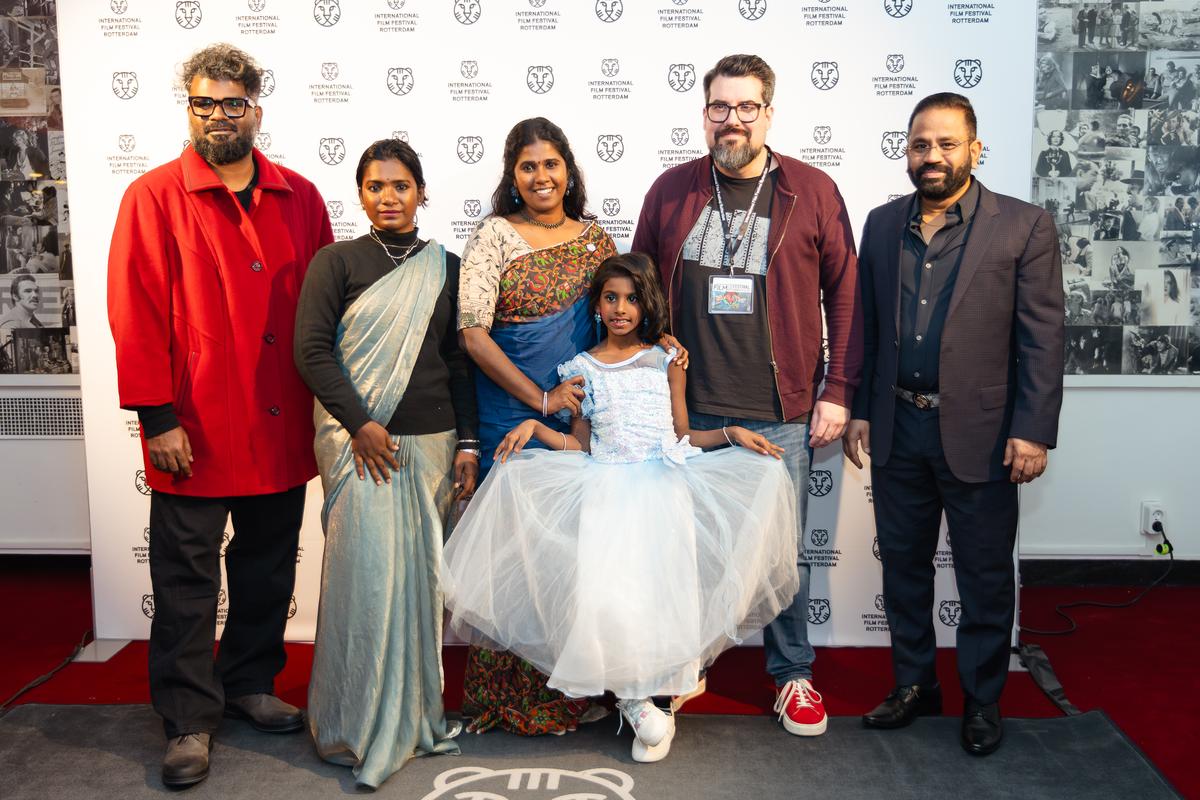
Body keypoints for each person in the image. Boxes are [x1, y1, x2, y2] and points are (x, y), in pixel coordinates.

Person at [443, 252, 800, 763]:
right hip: (607, 493)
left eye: (632, 299)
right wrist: (536, 427)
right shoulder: (581, 368)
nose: (620, 308)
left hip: (663, 490)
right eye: (610, 298)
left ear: (647, 304)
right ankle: (633, 702)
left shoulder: (666, 360)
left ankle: (655, 701)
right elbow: (582, 445)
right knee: (610, 599)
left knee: (661, 598)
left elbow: (681, 434)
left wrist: (732, 434)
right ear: (597, 304)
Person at [106, 44, 332, 788]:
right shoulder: (152, 196)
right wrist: (157, 416)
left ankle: (249, 683)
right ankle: (187, 719)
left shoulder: (302, 197)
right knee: (185, 580)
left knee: (267, 567)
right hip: (191, 429)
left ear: (255, 110)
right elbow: (134, 313)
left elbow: (323, 316)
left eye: (232, 103)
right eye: (203, 103)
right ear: (190, 109)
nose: (217, 116)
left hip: (278, 423)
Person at [632, 54, 862, 739]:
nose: (731, 120)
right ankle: (682, 666)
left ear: (768, 112)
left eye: (746, 107)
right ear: (704, 113)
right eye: (719, 107)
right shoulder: (671, 191)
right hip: (689, 410)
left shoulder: (811, 190)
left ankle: (791, 674)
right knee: (686, 549)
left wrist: (837, 390)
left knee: (782, 553)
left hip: (781, 411)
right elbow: (639, 287)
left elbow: (845, 296)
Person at [843, 93, 1064, 757]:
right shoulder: (882, 224)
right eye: (920, 145)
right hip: (898, 427)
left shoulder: (1023, 226)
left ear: (975, 150)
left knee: (984, 578)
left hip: (985, 435)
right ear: (906, 152)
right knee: (903, 571)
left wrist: (1033, 429)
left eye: (946, 144)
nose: (932, 156)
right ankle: (915, 685)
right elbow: (866, 325)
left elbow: (1042, 338)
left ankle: (982, 699)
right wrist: (859, 407)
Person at [295, 139, 476, 788]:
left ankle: (417, 715)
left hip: (431, 446)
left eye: (401, 186)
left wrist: (469, 443)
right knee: (365, 585)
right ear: (361, 194)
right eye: (375, 186)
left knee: (420, 589)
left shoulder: (446, 267)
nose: (389, 197)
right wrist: (361, 424)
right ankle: (356, 723)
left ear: (421, 192)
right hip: (361, 448)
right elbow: (311, 351)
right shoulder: (336, 262)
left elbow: (457, 362)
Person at [455, 117, 621, 736]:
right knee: (511, 557)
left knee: (567, 558)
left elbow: (618, 320)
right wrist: (540, 399)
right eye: (528, 166)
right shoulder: (493, 236)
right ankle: (505, 700)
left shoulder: (596, 241)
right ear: (512, 175)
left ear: (569, 171)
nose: (541, 176)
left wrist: (660, 347)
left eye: (551, 164)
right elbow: (474, 335)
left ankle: (566, 695)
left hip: (578, 418)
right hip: (510, 412)